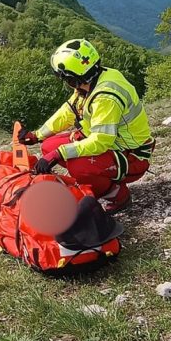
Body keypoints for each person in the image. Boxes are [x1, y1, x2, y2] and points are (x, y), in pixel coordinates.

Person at [19, 39, 154, 213]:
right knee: (48, 146)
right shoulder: (92, 81)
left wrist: (59, 153)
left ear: (73, 78)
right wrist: (38, 135)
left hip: (132, 155)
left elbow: (101, 141)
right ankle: (94, 180)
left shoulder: (105, 98)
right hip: (113, 145)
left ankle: (117, 195)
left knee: (79, 166)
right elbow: (69, 110)